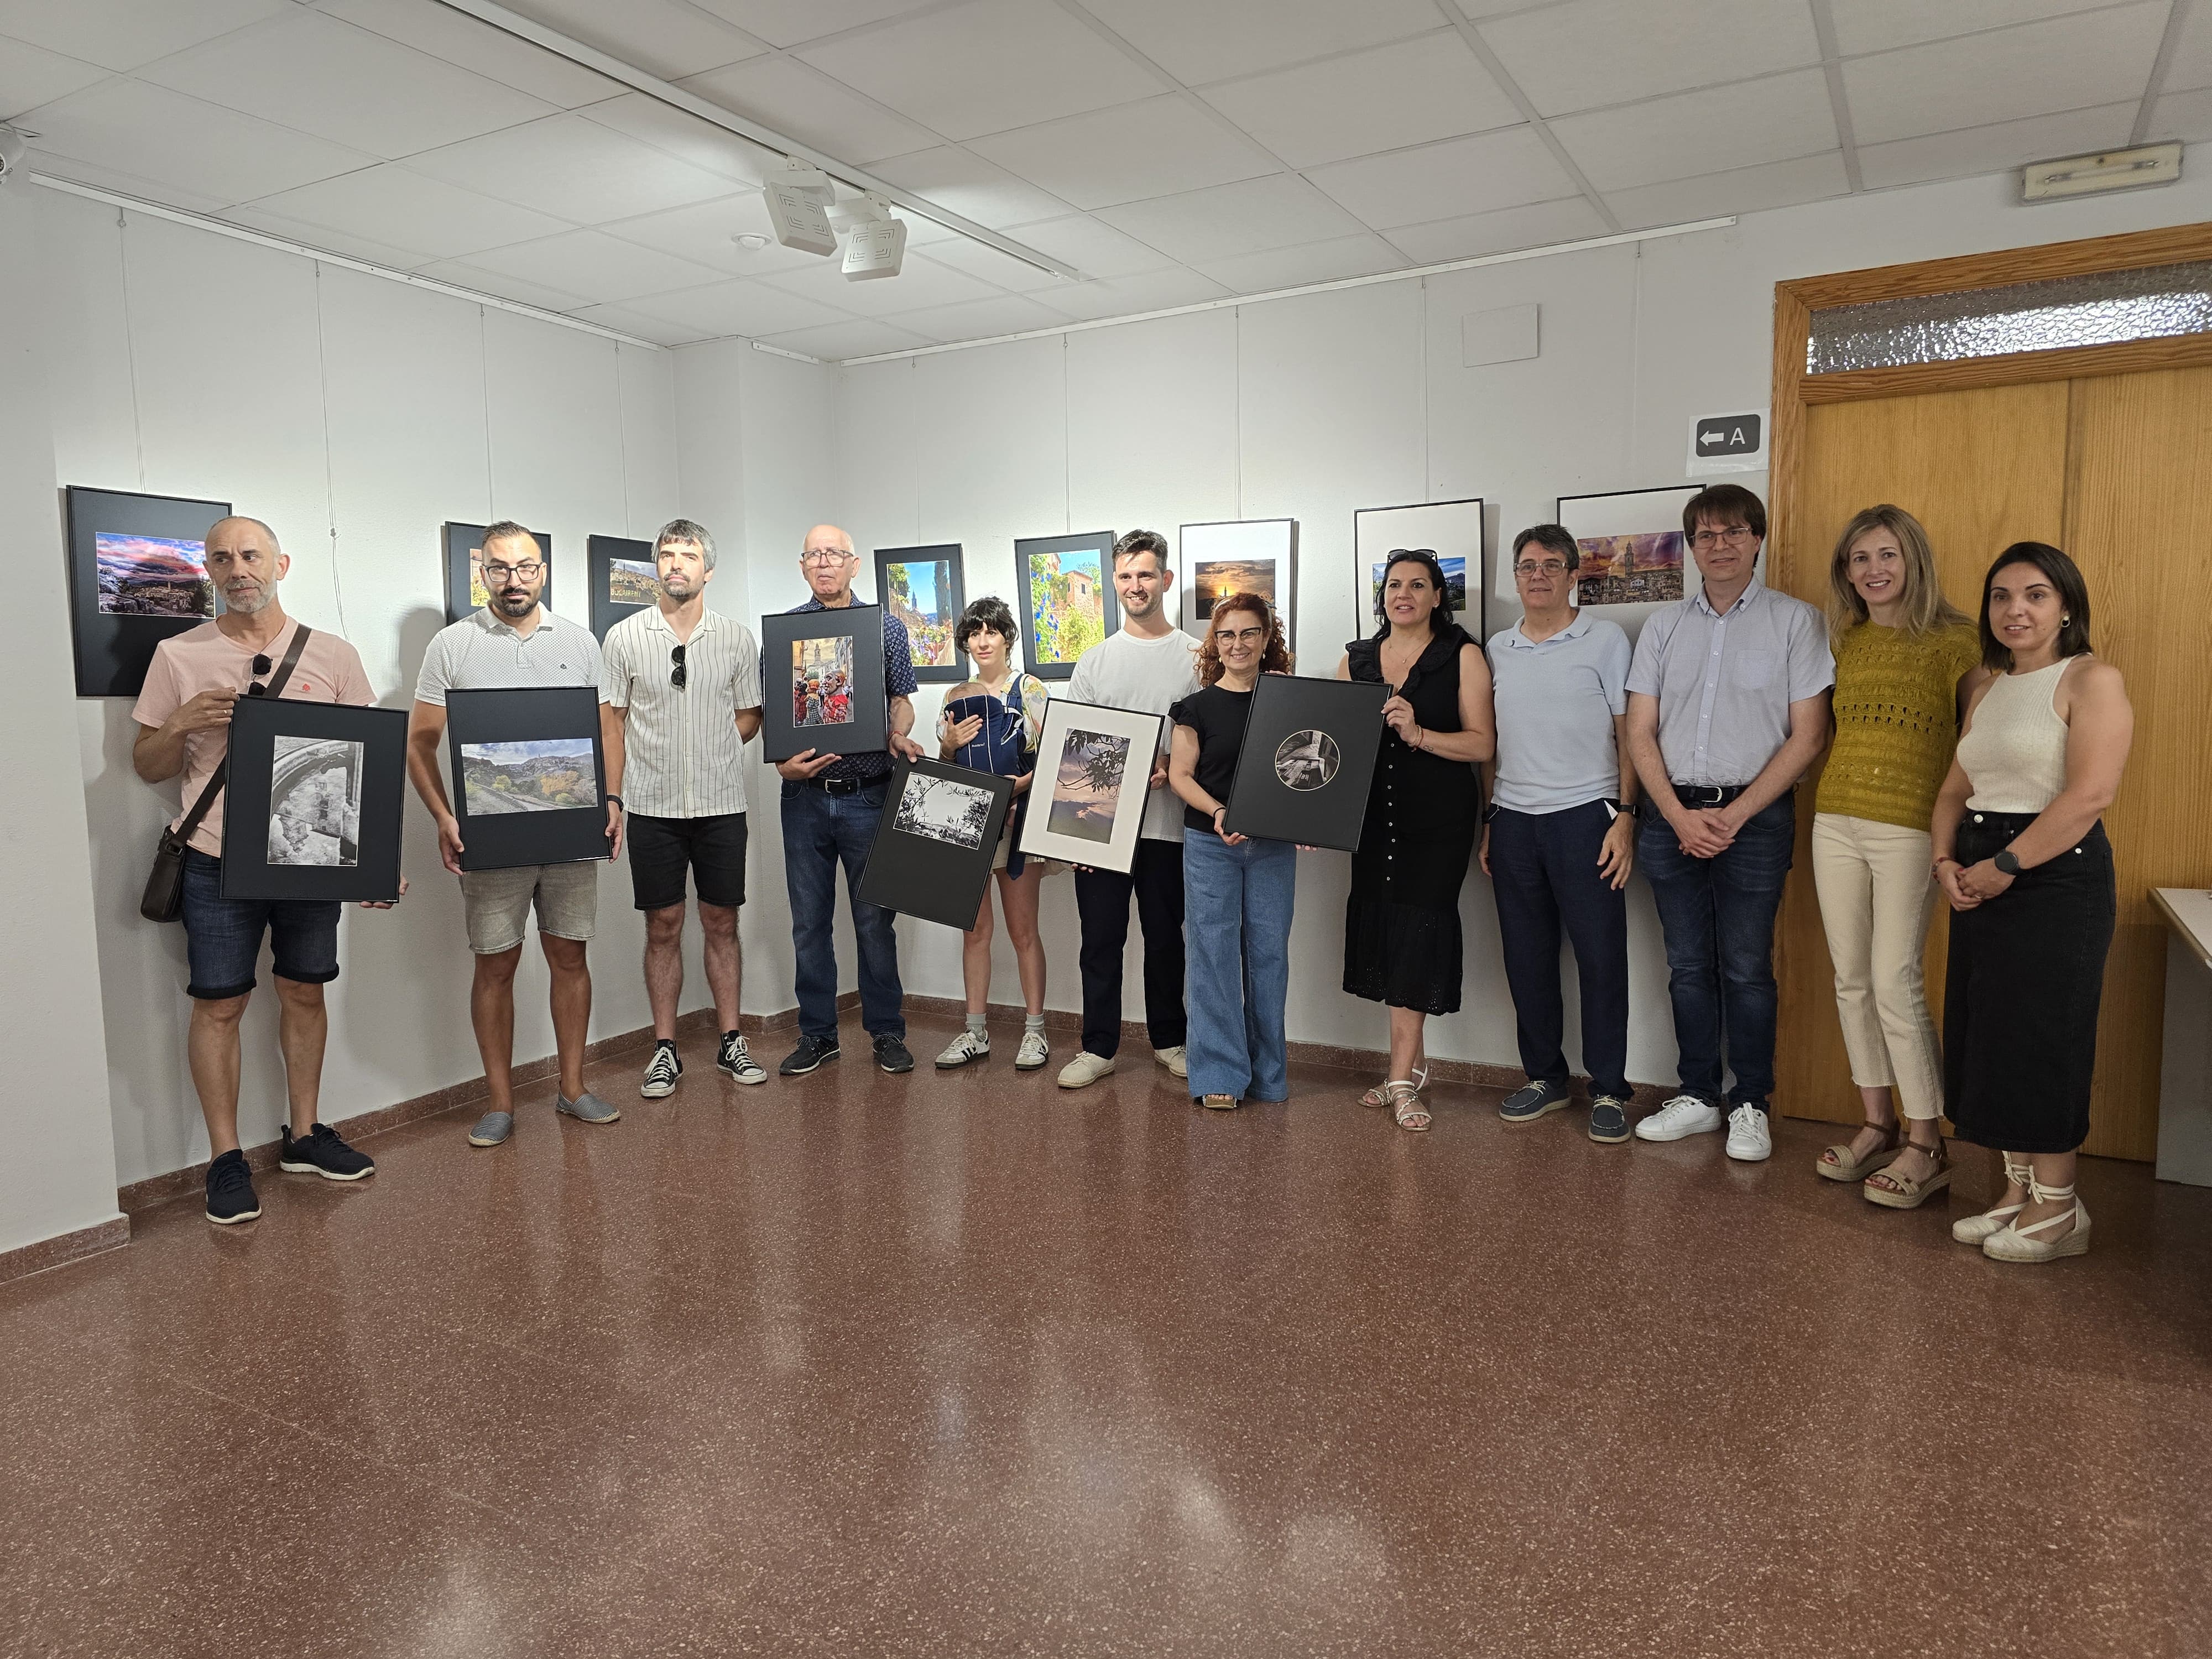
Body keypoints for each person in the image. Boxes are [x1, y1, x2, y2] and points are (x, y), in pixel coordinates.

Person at [131, 516, 396, 1224]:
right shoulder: (178, 655)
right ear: (209, 574)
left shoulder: (333, 655)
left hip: (309, 858)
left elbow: (362, 768)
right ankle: (225, 1158)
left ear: (281, 563)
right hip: (216, 858)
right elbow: (147, 764)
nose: (237, 567)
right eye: (222, 559)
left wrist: (373, 864)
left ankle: (304, 1136)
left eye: (250, 554)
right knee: (218, 1005)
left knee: (304, 994)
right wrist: (181, 722)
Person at [1625, 483, 1833, 1162]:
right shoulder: (1664, 627)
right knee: (1686, 965)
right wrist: (1679, 816)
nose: (1718, 546)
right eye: (1704, 536)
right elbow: (1640, 731)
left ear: (1757, 539)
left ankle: (1750, 1102)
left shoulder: (1795, 622)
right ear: (1690, 547)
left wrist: (1733, 816)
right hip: (1670, 814)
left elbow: (1808, 736)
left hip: (1757, 815)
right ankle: (1696, 1095)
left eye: (1731, 533)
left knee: (1746, 967)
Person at [1935, 543, 2130, 1263]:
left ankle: (2061, 1208)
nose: (2016, 609)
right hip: (1983, 868)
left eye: (2036, 595)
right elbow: (1957, 788)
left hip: (2056, 876)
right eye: (2001, 596)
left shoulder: (2091, 679)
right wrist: (1944, 861)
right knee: (1996, 1035)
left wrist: (2007, 866)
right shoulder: (1984, 685)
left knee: (2046, 1036)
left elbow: (2091, 795)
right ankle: (2018, 1191)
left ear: (2066, 605)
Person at [407, 521, 621, 1146]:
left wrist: (611, 799)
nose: (513, 580)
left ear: (543, 572)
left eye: (525, 567)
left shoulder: (581, 643)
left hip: (571, 832)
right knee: (495, 965)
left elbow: (609, 732)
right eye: (499, 568)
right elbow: (420, 744)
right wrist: (444, 817)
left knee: (570, 957)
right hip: (489, 840)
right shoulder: (452, 645)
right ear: (483, 574)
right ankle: (499, 1103)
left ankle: (573, 1088)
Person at [1808, 505, 1984, 1203]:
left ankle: (1925, 1141)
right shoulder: (1844, 639)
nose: (1873, 571)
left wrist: (1952, 840)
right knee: (1849, 978)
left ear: (1913, 560)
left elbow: (1976, 750)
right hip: (1835, 820)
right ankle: (1876, 1124)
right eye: (1859, 559)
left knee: (1893, 980)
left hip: (1911, 828)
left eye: (1886, 555)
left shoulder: (1958, 642)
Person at [1479, 527, 1637, 1143]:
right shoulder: (1498, 647)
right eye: (1526, 567)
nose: (1537, 576)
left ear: (1575, 575)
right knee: (1527, 960)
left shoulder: (1606, 640)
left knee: (1601, 960)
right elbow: (1489, 744)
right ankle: (1545, 1078)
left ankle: (1609, 1090)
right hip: (1513, 820)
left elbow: (1631, 734)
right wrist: (1489, 819)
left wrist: (1627, 815)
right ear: (1514, 578)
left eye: (1550, 565)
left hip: (1586, 817)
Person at [601, 518, 767, 1098]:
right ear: (656, 568)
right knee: (662, 926)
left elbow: (751, 713)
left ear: (708, 570)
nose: (676, 564)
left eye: (688, 555)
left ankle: (730, 1041)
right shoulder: (624, 638)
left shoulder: (736, 639)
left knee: (722, 923)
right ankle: (665, 1048)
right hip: (651, 807)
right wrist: (615, 796)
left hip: (721, 804)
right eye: (667, 555)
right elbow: (612, 724)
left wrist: (715, 744)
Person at [1335, 549, 1494, 1133]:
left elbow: (1481, 745)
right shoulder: (1355, 660)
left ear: (1436, 597)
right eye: (1393, 585)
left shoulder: (1463, 655)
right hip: (1373, 824)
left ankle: (1400, 1080)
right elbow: (1327, 743)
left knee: (1418, 934)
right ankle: (1411, 1067)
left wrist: (1419, 733)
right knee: (1389, 932)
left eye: (1417, 585)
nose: (1403, 594)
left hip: (1438, 825)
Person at [773, 524, 925, 1078]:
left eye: (833, 554)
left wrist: (895, 732)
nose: (823, 562)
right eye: (813, 554)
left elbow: (901, 700)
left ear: (854, 564)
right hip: (804, 798)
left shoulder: (884, 628)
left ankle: (886, 1032)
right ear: (802, 565)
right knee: (808, 924)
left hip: (869, 794)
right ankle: (817, 1036)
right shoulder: (786, 633)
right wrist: (780, 763)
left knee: (872, 922)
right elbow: (779, 715)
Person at [1058, 530, 1198, 1090]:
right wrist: (1072, 838)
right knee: (1100, 941)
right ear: (1113, 583)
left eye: (1145, 574)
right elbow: (1075, 753)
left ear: (1164, 580)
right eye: (1124, 576)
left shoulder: (1194, 657)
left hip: (1168, 827)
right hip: (1100, 829)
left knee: (1167, 939)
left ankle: (1169, 1040)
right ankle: (1099, 1046)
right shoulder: (1095, 662)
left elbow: (1205, 739)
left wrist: (1174, 769)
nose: (1135, 585)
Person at [1169, 592, 1296, 1112]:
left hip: (1272, 847)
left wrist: (1310, 820)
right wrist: (1220, 813)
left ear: (1267, 640)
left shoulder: (1290, 701)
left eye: (1249, 633)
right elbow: (1180, 776)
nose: (1238, 644)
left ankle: (1268, 1076)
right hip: (1209, 845)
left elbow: (1308, 769)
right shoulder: (1195, 707)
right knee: (1213, 958)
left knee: (1269, 959)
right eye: (1227, 635)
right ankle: (1219, 1073)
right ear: (1214, 644)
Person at [931, 596, 1053, 1072]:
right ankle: (975, 1032)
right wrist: (946, 746)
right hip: (968, 824)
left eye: (992, 632)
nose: (982, 641)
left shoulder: (1031, 689)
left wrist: (1012, 791)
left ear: (1007, 638)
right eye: (974, 633)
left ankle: (1036, 1032)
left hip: (1016, 822)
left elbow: (1049, 761)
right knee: (975, 931)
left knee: (1024, 932)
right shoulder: (953, 697)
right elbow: (944, 770)